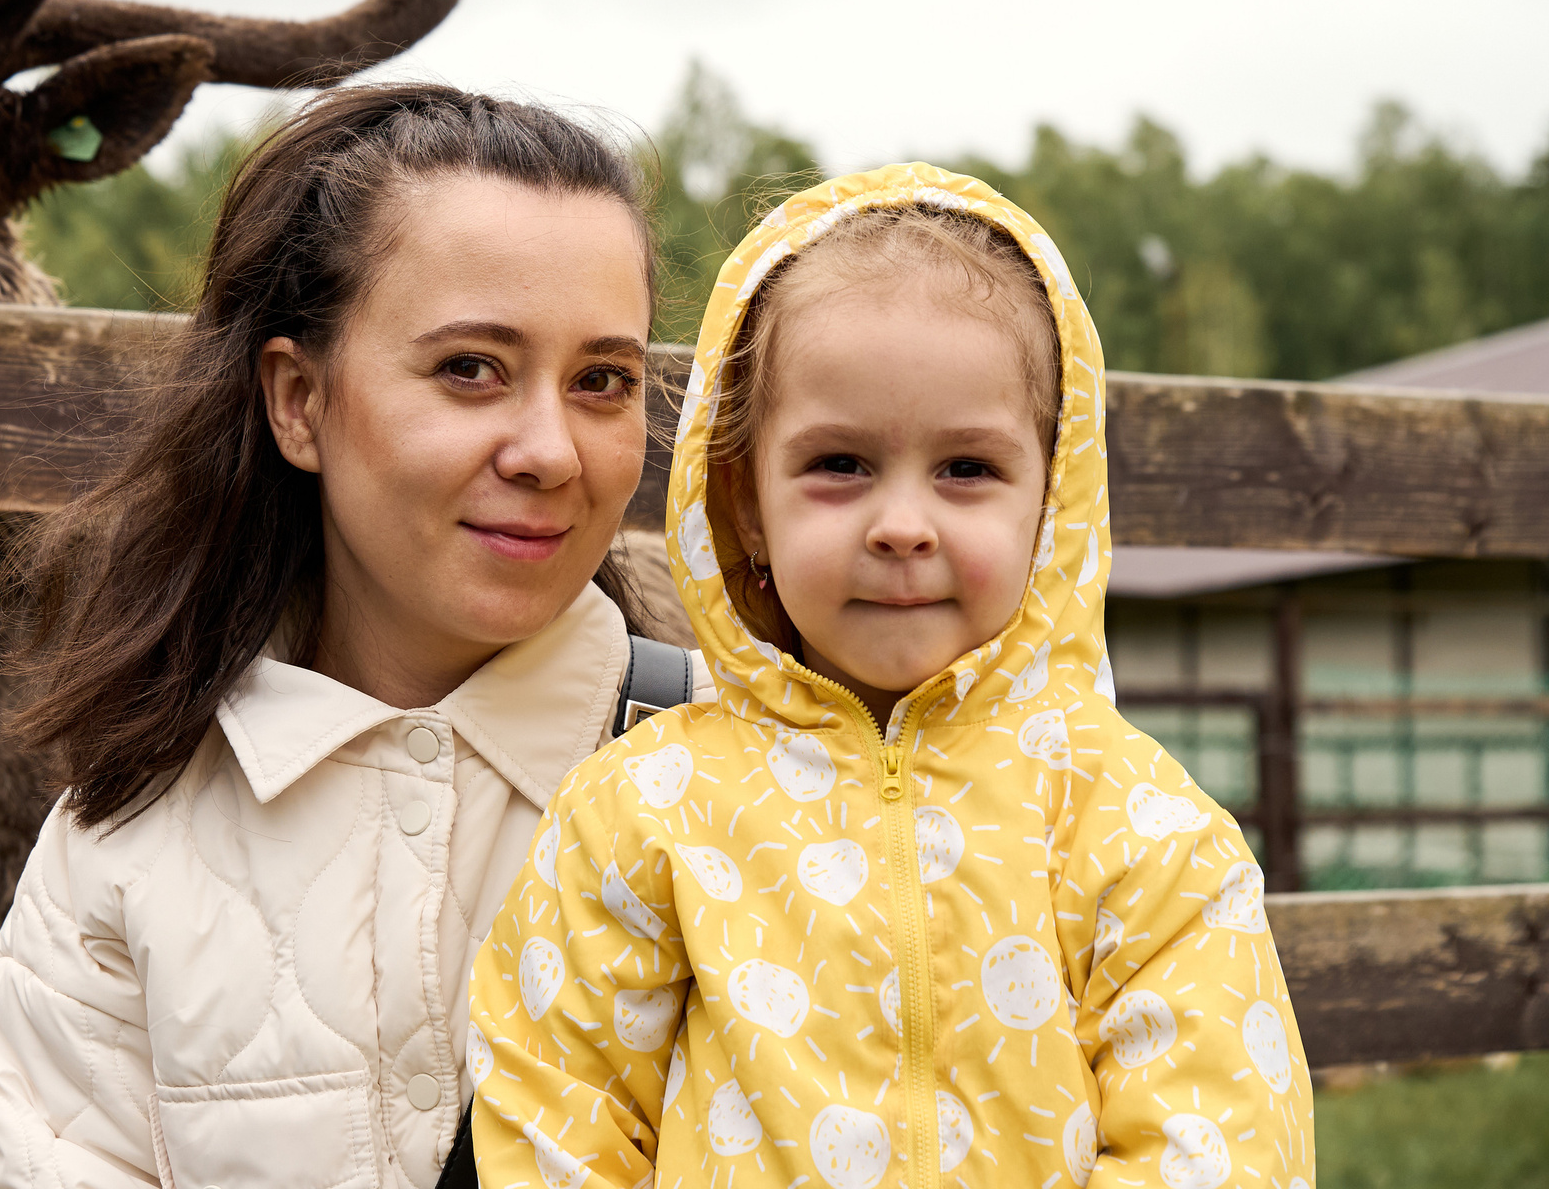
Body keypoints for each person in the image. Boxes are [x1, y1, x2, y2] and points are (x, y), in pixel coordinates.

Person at [467, 164, 1314, 1189]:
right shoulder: (643, 810)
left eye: (966, 470)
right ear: (744, 504)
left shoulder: (1137, 826)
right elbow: (556, 1118)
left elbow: (1216, 1144)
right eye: (839, 465)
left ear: (1049, 501)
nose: (902, 526)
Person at [0, 84, 706, 1189]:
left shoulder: (747, 776)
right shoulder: (120, 848)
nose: (551, 450)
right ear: (297, 402)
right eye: (471, 370)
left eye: (602, 381)